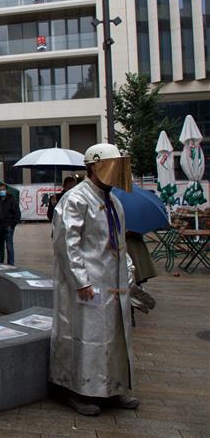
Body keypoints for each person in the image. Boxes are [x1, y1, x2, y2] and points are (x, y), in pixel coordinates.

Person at [50, 143, 138, 416]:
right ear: (94, 166)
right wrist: (81, 280)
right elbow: (67, 244)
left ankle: (113, 387)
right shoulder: (76, 199)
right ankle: (79, 390)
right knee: (85, 336)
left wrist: (129, 272)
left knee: (114, 336)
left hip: (114, 285)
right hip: (87, 286)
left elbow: (120, 244)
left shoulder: (113, 201)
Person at [0, 183, 21, 265]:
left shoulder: (11, 199)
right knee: (0, 248)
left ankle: (11, 264)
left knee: (9, 247)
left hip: (8, 227)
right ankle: (0, 264)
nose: (1, 191)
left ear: (6, 190)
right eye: (0, 189)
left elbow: (17, 213)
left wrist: (12, 225)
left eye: (3, 189)